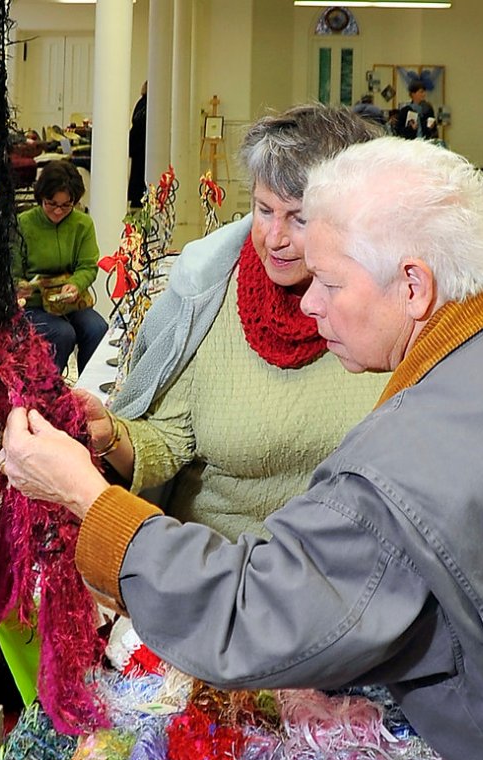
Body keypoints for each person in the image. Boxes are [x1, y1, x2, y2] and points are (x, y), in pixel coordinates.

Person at [0, 137, 483, 760]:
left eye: (328, 280)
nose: (309, 303)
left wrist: (87, 496)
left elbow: (247, 610)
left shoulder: (405, 463)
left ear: (413, 285)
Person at [76, 104, 386, 543]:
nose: (274, 237)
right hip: (218, 563)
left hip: (347, 567)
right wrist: (109, 436)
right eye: (264, 210)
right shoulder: (213, 298)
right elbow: (167, 441)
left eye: (299, 218)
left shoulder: (387, 315)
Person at [12, 160, 107, 374]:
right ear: (41, 198)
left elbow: (88, 265)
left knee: (97, 329)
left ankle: (86, 392)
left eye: (66, 205)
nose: (58, 211)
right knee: (62, 334)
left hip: (70, 301)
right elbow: (13, 270)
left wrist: (75, 284)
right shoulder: (23, 223)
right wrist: (20, 286)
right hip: (34, 304)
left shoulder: (82, 224)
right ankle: (48, 393)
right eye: (51, 203)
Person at [127, 80, 148, 209]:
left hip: (137, 140)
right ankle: (138, 197)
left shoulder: (141, 102)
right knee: (139, 171)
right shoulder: (146, 103)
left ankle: (136, 197)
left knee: (137, 171)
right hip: (141, 141)